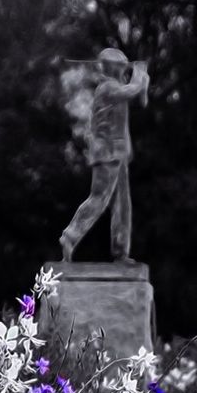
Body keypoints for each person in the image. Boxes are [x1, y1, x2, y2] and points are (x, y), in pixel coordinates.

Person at [60, 47, 149, 262]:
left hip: (117, 153)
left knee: (122, 204)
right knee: (99, 198)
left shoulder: (115, 87)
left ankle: (121, 252)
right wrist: (139, 75)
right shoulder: (107, 88)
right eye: (122, 66)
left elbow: (141, 99)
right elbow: (131, 90)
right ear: (114, 68)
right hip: (107, 152)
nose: (124, 71)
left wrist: (142, 82)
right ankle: (70, 236)